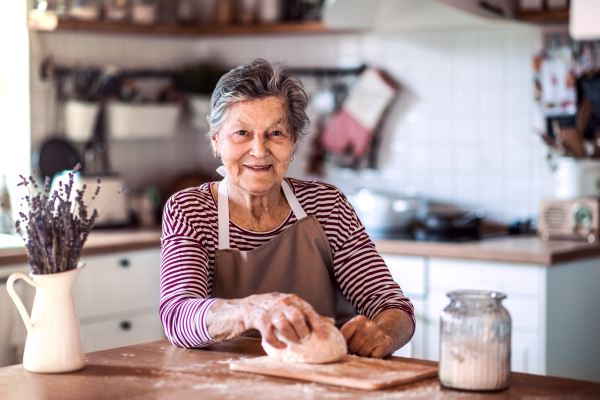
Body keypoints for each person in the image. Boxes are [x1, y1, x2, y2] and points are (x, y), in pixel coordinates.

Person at [160, 59, 414, 358]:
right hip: (227, 380)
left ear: (293, 141)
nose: (259, 150)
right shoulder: (191, 210)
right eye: (241, 133)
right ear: (216, 140)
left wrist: (383, 333)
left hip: (322, 378)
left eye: (276, 133)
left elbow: (392, 306)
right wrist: (252, 311)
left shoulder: (326, 206)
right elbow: (177, 316)